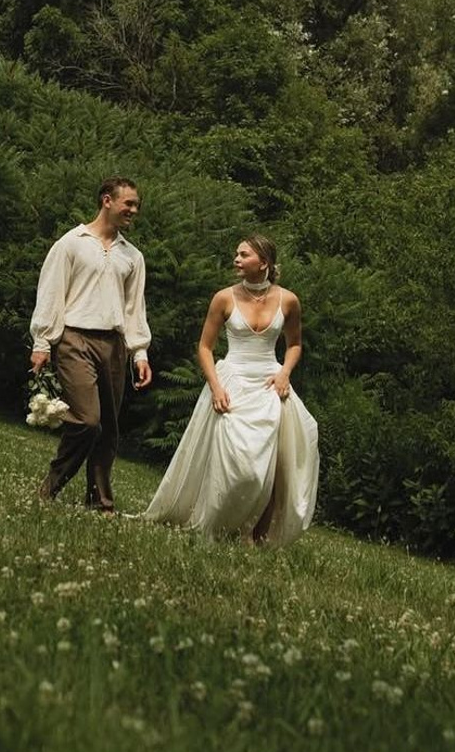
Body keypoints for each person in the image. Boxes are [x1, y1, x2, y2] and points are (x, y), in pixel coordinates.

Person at [143, 235, 318, 545]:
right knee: (233, 459)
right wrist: (216, 386)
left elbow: (294, 345)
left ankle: (256, 535)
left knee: (271, 462)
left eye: (244, 254)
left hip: (270, 382)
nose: (236, 259)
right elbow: (204, 347)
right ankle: (215, 523)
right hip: (232, 380)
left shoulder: (288, 300)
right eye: (236, 254)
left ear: (263, 262)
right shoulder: (224, 298)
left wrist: (285, 373)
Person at [29, 176, 153, 513]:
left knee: (109, 430)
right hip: (74, 338)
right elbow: (51, 292)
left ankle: (100, 502)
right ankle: (50, 487)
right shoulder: (71, 243)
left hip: (114, 345)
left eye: (136, 205)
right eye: (128, 203)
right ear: (107, 200)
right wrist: (42, 342)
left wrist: (139, 352)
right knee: (87, 420)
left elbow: (134, 309)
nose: (134, 210)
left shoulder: (133, 256)